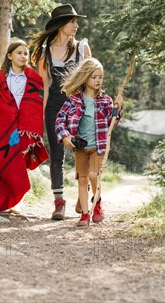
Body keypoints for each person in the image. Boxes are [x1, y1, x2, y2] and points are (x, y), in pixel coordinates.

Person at [30, 3, 91, 220]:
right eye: (72, 21)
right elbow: (45, 86)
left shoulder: (82, 49)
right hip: (55, 106)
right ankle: (59, 203)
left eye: (76, 21)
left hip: (77, 106)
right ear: (60, 24)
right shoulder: (44, 54)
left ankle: (82, 195)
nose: (76, 25)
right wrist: (42, 115)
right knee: (57, 156)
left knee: (84, 152)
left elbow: (90, 83)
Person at [0, 40, 49, 212]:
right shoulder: (0, 77)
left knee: (18, 162)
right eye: (19, 53)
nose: (23, 56)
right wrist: (3, 117)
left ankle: (15, 200)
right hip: (2, 127)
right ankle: (1, 197)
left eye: (25, 53)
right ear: (9, 56)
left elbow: (36, 102)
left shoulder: (32, 78)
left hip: (23, 126)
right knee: (1, 160)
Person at [55, 57, 123, 227]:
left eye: (101, 77)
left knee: (94, 175)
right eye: (94, 77)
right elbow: (59, 119)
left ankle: (97, 202)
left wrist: (118, 109)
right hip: (80, 148)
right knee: (83, 180)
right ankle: (85, 215)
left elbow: (112, 123)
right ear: (85, 77)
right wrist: (65, 136)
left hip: (98, 147)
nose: (98, 80)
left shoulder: (105, 100)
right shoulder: (74, 100)